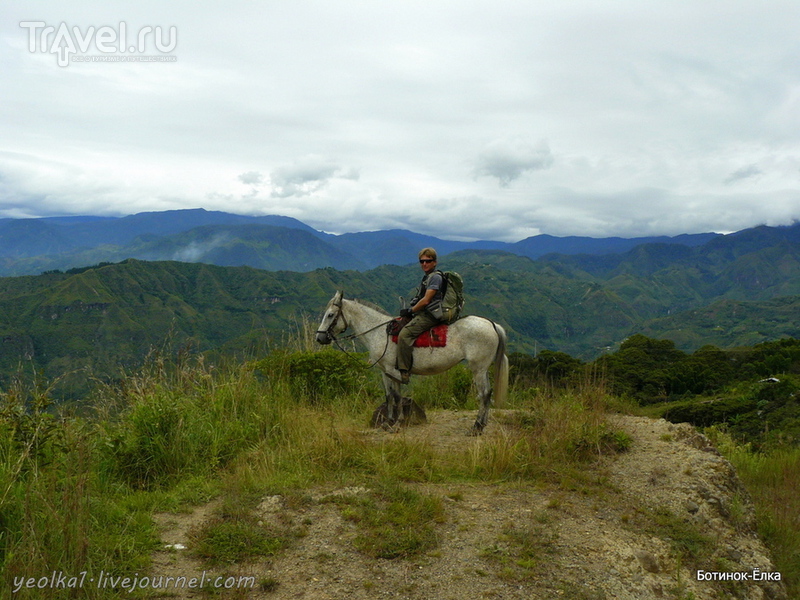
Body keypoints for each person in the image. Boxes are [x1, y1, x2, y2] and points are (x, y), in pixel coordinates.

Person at [396, 247, 446, 384]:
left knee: (404, 334)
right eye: (422, 261)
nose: (424, 264)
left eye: (428, 261)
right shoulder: (428, 277)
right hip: (424, 311)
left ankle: (404, 370)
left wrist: (411, 311)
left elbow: (426, 300)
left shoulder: (435, 277)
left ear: (434, 262)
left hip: (430, 314)